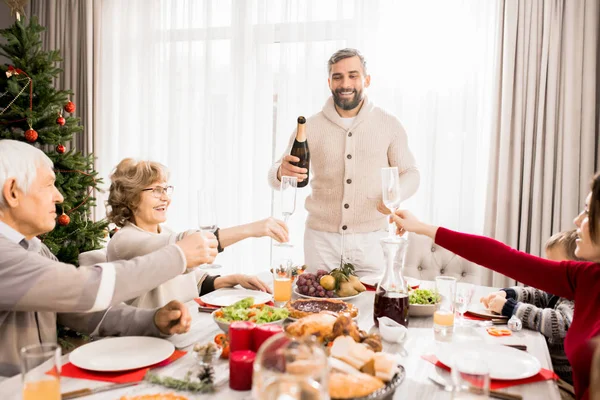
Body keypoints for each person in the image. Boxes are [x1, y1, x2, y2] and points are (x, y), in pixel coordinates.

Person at [0, 140, 216, 377]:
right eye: (49, 185)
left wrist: (152, 320)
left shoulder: (33, 248)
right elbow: (86, 288)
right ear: (12, 192)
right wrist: (179, 255)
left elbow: (79, 310)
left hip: (42, 384)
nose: (59, 196)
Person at [391, 173, 600, 400]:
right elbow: (501, 257)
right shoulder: (587, 277)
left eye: (588, 212)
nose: (577, 220)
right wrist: (421, 227)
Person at [267, 48, 420, 276]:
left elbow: (411, 173)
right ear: (329, 82)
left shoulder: (389, 124)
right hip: (321, 241)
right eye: (338, 77)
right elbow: (274, 178)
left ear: (366, 80)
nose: (345, 83)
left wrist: (393, 194)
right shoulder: (309, 126)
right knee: (318, 307)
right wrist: (281, 172)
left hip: (372, 241)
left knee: (371, 308)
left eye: (353, 75)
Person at [107, 158, 288, 308]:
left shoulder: (165, 231)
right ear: (131, 198)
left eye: (166, 189)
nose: (165, 197)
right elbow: (186, 247)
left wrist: (235, 279)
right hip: (146, 339)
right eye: (156, 190)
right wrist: (251, 229)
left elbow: (196, 283)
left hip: (179, 326)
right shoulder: (124, 241)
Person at [480, 230, 579, 387]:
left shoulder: (576, 299)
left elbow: (559, 323)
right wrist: (509, 294)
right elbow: (539, 296)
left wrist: (510, 307)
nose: (548, 271)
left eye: (555, 267)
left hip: (565, 383)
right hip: (549, 367)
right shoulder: (561, 289)